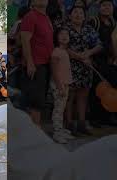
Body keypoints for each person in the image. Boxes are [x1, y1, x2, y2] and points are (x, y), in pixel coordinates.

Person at [65, 6, 102, 136]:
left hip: (86, 67)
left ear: (85, 16)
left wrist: (88, 53)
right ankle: (69, 124)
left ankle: (81, 124)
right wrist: (78, 56)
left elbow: (99, 45)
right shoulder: (66, 29)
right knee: (69, 96)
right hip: (70, 66)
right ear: (69, 16)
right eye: (75, 12)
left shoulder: (89, 29)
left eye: (81, 13)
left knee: (83, 96)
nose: (78, 15)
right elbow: (62, 46)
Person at [20, 0, 53, 127]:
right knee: (35, 102)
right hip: (35, 65)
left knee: (39, 102)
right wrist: (30, 62)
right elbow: (25, 40)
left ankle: (36, 130)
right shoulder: (30, 16)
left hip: (45, 64)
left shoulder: (46, 17)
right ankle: (34, 132)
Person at [88, 0, 117, 127]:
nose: (106, 8)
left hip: (109, 61)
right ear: (99, 8)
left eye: (109, 6)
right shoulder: (94, 22)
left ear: (113, 8)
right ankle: (95, 118)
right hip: (96, 61)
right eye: (103, 5)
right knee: (96, 90)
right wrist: (89, 57)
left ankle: (106, 117)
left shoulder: (113, 23)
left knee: (109, 88)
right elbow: (88, 39)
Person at [50, 28, 75, 144]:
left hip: (65, 84)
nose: (64, 36)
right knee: (58, 109)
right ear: (56, 37)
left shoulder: (65, 51)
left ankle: (61, 129)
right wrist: (60, 86)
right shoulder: (56, 52)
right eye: (61, 34)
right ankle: (57, 131)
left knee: (62, 107)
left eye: (66, 34)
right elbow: (54, 71)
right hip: (59, 84)